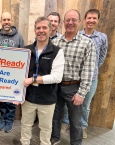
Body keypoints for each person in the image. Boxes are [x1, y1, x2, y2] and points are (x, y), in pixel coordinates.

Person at [61, 9, 108, 139]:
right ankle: (66, 122)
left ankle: (83, 126)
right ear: (84, 20)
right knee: (70, 103)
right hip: (75, 79)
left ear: (98, 20)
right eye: (89, 18)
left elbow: (102, 57)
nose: (91, 20)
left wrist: (90, 69)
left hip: (91, 78)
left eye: (94, 18)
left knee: (85, 104)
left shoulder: (102, 37)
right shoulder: (76, 34)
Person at [50, 9, 96, 145]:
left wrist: (81, 93)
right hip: (56, 86)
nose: (70, 23)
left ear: (79, 22)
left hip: (74, 87)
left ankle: (76, 142)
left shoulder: (87, 43)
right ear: (63, 23)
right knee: (55, 115)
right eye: (68, 20)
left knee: (75, 120)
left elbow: (88, 70)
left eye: (74, 20)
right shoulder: (56, 42)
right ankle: (55, 137)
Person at [20, 16, 65, 145]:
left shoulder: (57, 52)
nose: (41, 30)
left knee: (45, 129)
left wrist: (32, 79)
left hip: (47, 99)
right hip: (28, 98)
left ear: (51, 30)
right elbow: (18, 73)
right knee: (25, 125)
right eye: (38, 28)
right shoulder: (26, 50)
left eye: (44, 27)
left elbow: (56, 77)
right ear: (35, 30)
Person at [0, 12, 24, 132]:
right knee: (1, 99)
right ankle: (3, 118)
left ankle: (9, 120)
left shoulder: (19, 37)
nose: (6, 22)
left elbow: (23, 57)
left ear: (11, 21)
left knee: (11, 100)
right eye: (4, 19)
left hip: (13, 75)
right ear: (1, 22)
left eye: (8, 20)